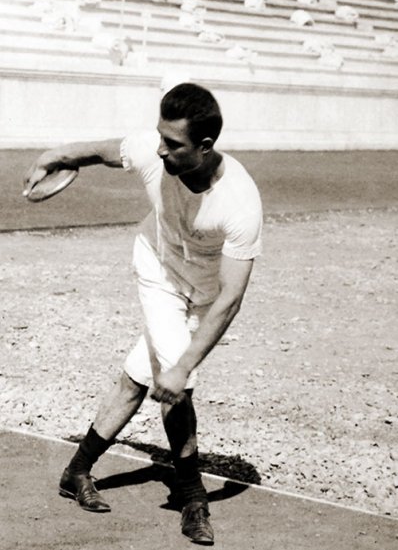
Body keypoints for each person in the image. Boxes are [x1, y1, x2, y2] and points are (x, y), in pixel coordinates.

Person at [23, 83, 263, 546]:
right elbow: (103, 151)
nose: (160, 149)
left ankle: (76, 471)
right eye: (160, 136)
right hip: (157, 269)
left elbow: (231, 298)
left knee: (141, 376)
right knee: (176, 378)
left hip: (206, 292)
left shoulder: (240, 201)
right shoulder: (155, 153)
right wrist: (55, 154)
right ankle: (192, 495)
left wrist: (183, 364)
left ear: (205, 146)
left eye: (173, 144)